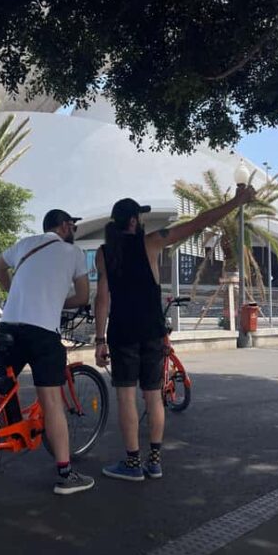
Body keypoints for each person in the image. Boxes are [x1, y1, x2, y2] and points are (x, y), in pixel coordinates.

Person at [94, 186, 256, 481]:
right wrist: (236, 201)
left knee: (126, 397)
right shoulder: (152, 243)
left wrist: (99, 339)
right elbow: (199, 223)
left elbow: (102, 298)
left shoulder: (104, 254)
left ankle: (132, 463)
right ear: (133, 221)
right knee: (154, 396)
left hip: (121, 332)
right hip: (153, 331)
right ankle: (154, 461)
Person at [0, 208, 95, 495]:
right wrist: (55, 301)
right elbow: (84, 297)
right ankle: (65, 474)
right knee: (51, 401)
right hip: (42, 332)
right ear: (63, 226)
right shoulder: (72, 253)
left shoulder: (25, 244)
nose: (74, 231)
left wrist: (13, 292)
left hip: (7, 327)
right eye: (73, 225)